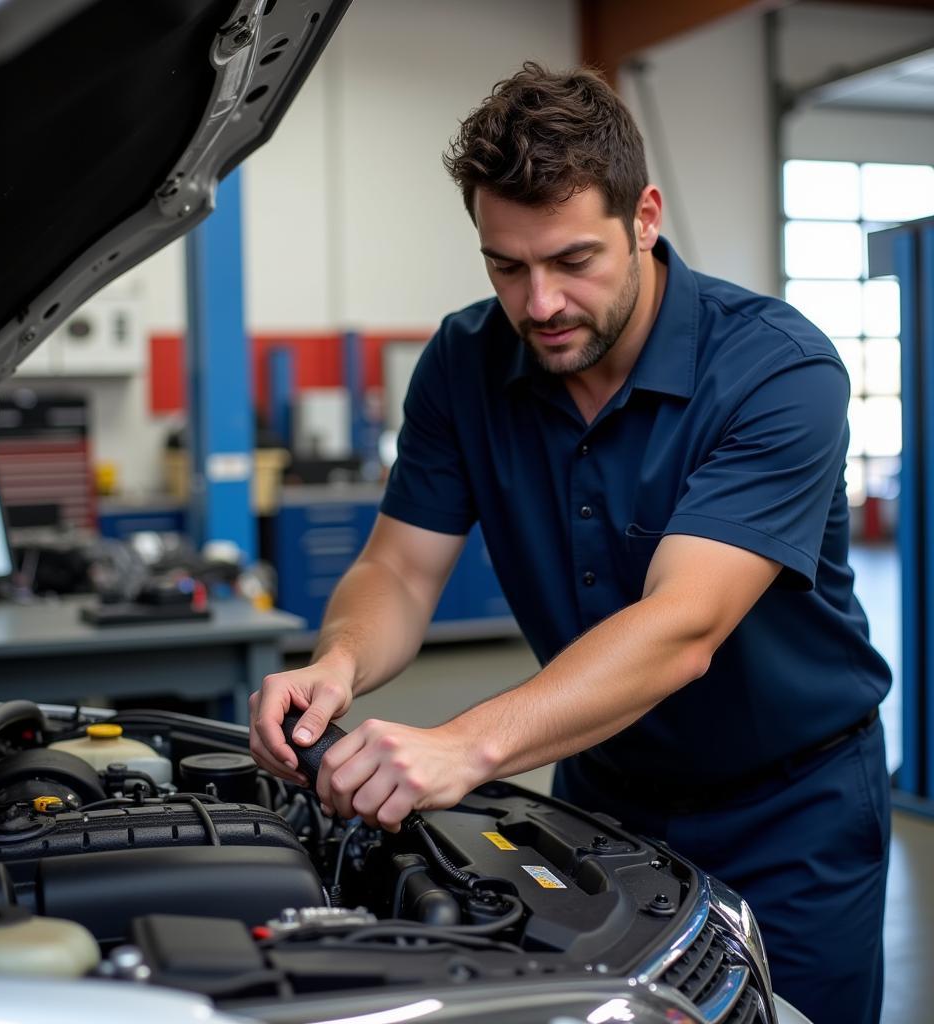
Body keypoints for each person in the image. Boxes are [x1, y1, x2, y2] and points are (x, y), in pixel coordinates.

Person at [249, 63, 891, 1024]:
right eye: (506, 266)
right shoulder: (465, 364)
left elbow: (683, 627)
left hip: (790, 811)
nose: (539, 302)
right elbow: (398, 567)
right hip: (600, 789)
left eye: (572, 260)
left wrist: (464, 745)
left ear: (645, 216)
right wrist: (339, 662)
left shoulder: (776, 370)